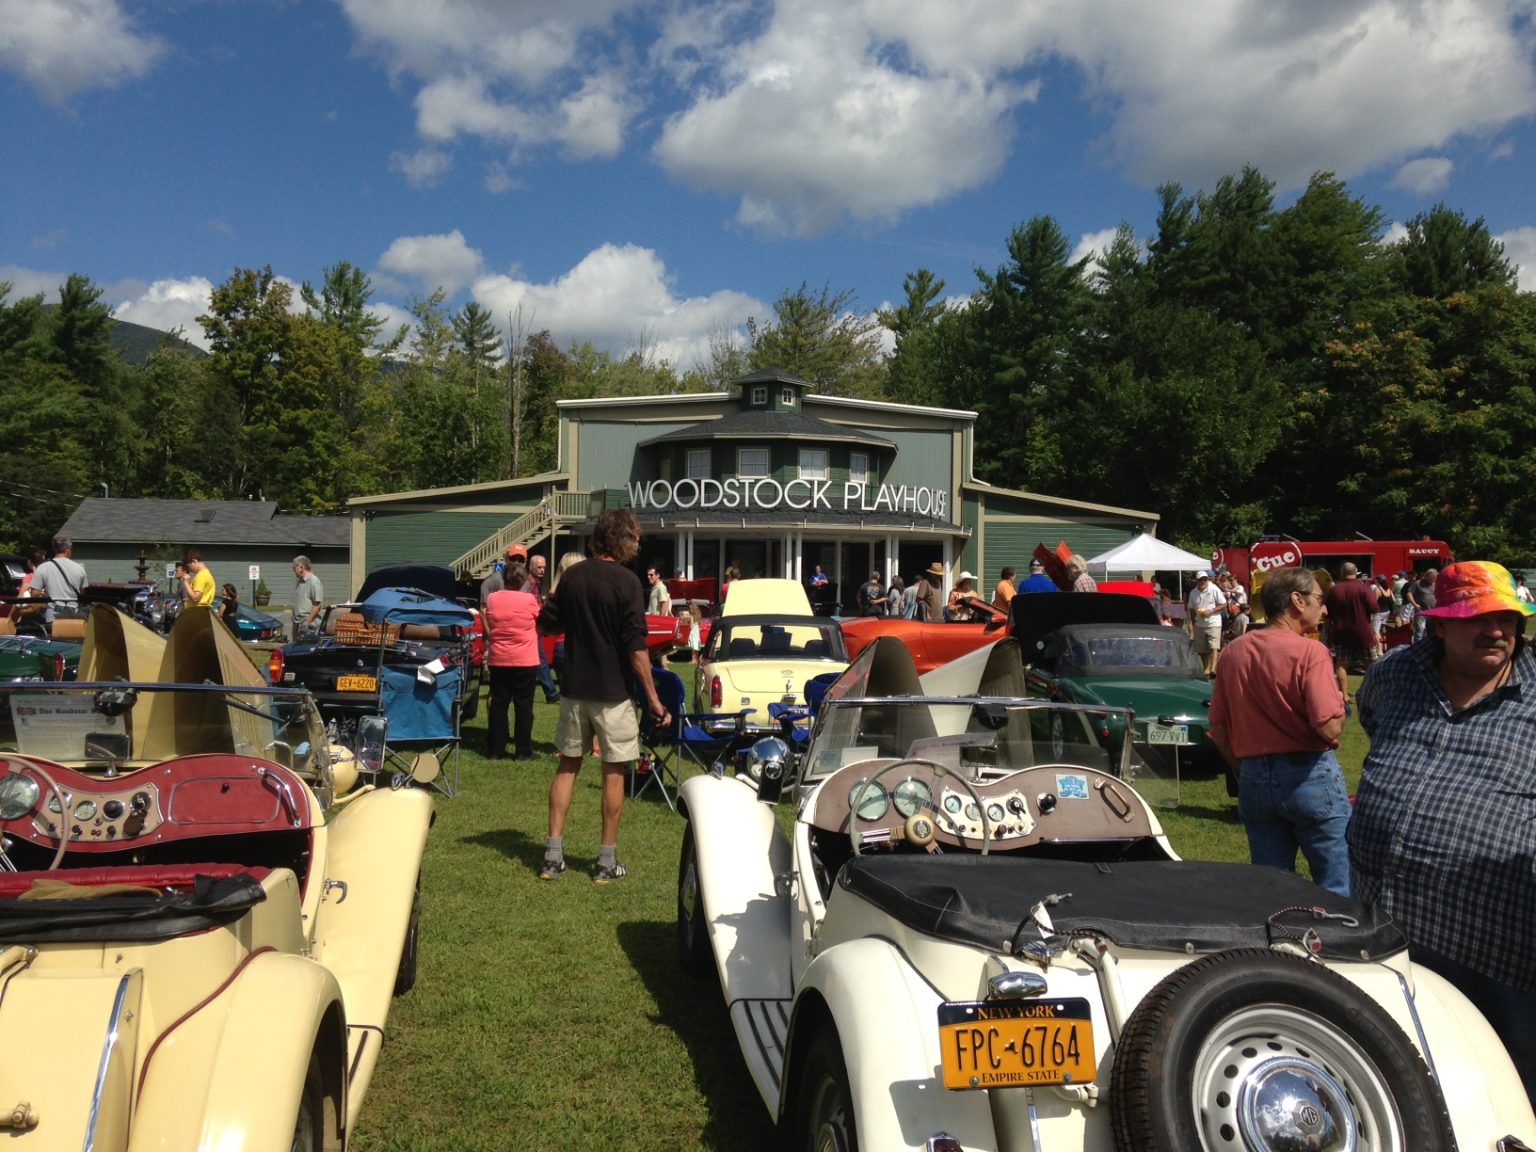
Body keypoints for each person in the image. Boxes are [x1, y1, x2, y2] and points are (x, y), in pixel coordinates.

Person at [1348, 561, 1536, 1106]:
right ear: (1441, 626)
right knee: (1397, 1078)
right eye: (1478, 617)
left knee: (1506, 1090)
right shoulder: (1395, 675)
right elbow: (1373, 722)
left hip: (1497, 952)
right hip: (1385, 932)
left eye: (1508, 617)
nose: (1498, 630)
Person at [536, 509, 668, 883]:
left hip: (575, 688)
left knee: (567, 766)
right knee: (614, 772)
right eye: (636, 538)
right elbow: (636, 647)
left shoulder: (574, 576)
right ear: (622, 539)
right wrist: (654, 700)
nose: (638, 544)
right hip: (613, 694)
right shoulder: (627, 582)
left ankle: (552, 857)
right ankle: (606, 862)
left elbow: (547, 623)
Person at [1209, 567, 1350, 897]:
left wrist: (1244, 769)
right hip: (1309, 775)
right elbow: (1327, 726)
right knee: (1335, 888)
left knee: (1271, 893)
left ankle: (1277, 949)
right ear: (1297, 601)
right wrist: (1343, 710)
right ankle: (1336, 948)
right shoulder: (1310, 651)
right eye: (1320, 599)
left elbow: (1217, 728)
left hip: (1255, 779)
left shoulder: (1232, 653)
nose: (1325, 608)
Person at [485, 560, 543, 761]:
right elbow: (540, 619)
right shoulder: (529, 600)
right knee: (524, 705)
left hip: (499, 657)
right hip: (525, 658)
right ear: (523, 580)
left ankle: (496, 749)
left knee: (499, 704)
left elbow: (489, 617)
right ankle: (523, 750)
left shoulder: (493, 598)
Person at [1322, 561, 1379, 700]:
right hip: (1363, 632)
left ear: (1342, 573)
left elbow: (1327, 614)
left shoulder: (1334, 590)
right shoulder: (1364, 588)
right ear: (1356, 573)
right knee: (1370, 663)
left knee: (1342, 663)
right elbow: (1374, 608)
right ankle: (1374, 693)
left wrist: (1326, 634)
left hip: (1341, 632)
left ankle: (1344, 694)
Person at [29, 535, 88, 630]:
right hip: (74, 616)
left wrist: (45, 596)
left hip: (53, 616)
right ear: (68, 550)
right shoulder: (79, 568)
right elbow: (82, 593)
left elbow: (34, 594)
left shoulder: (43, 567)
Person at [1185, 570, 1227, 677]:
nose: (1203, 581)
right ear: (1197, 581)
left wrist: (1211, 611)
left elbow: (1223, 604)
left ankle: (1213, 670)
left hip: (1214, 622)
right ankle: (1206, 668)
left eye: (1205, 579)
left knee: (1214, 647)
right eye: (1201, 579)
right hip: (1200, 623)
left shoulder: (1214, 589)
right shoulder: (1193, 593)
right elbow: (1191, 608)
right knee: (1201, 650)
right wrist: (1194, 622)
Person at [291, 554, 324, 640]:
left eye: (294, 567)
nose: (293, 570)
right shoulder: (300, 581)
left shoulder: (314, 581)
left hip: (308, 625)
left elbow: (317, 605)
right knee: (295, 652)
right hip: (297, 623)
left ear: (301, 567)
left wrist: (307, 623)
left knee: (304, 650)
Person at [1406, 567, 1438, 642]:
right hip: (1421, 611)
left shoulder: (1435, 584)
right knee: (1419, 633)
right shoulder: (1418, 583)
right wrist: (1414, 604)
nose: (1433, 579)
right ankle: (1417, 649)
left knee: (1432, 632)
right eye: (1431, 577)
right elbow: (1409, 593)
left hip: (1433, 612)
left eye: (1434, 577)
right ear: (1426, 576)